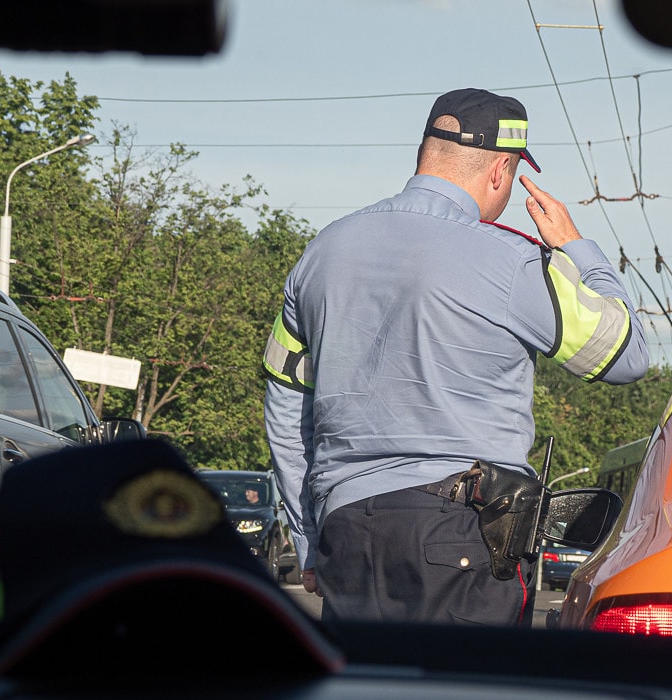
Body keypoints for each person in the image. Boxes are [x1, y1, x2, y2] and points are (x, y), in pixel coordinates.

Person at [262, 87, 649, 625]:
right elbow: (628, 354)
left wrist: (309, 537)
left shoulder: (322, 252)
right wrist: (577, 250)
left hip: (346, 535)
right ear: (500, 171)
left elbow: (285, 408)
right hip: (461, 539)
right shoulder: (512, 260)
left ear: (426, 155)